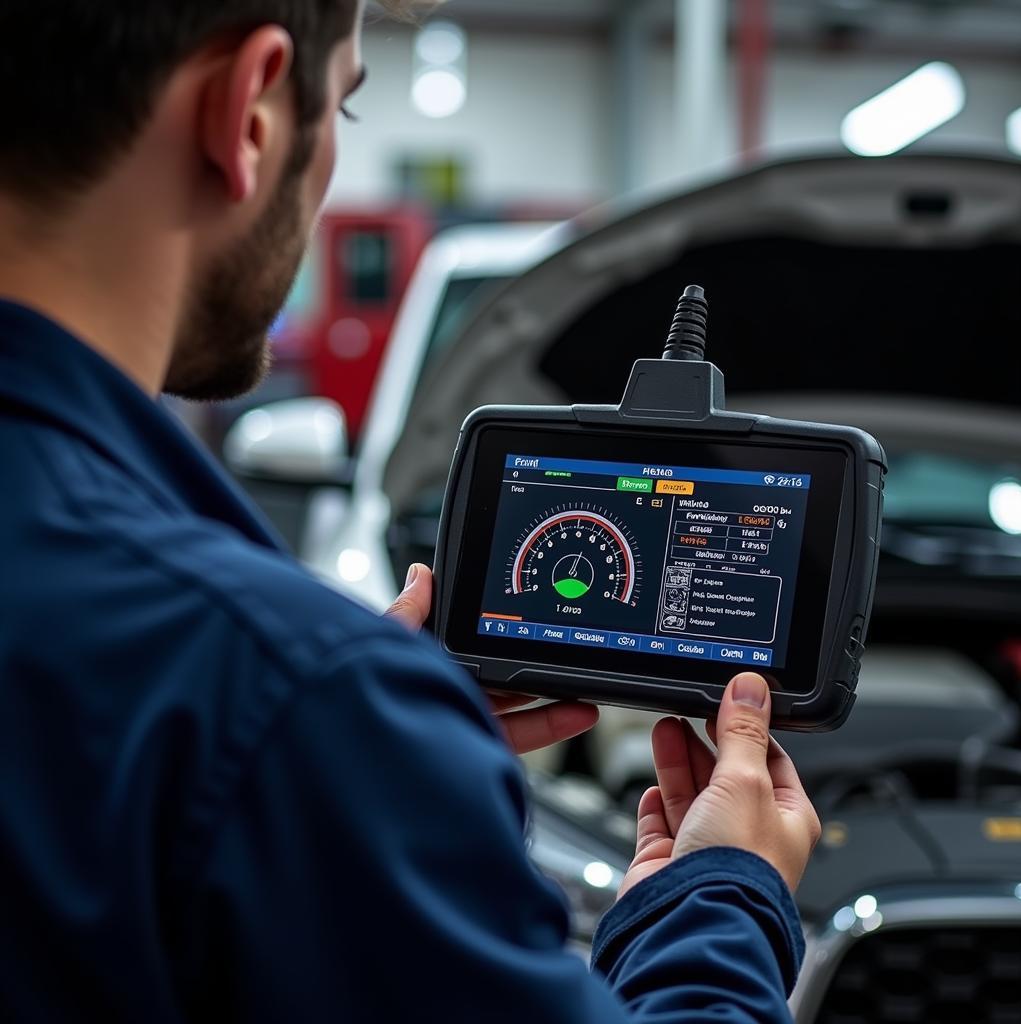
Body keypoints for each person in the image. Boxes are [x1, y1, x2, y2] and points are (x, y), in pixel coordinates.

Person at [0, 1, 821, 1020]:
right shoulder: (279, 701)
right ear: (249, 109)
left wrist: (362, 740)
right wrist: (721, 894)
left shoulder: (270, 692)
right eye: (341, 103)